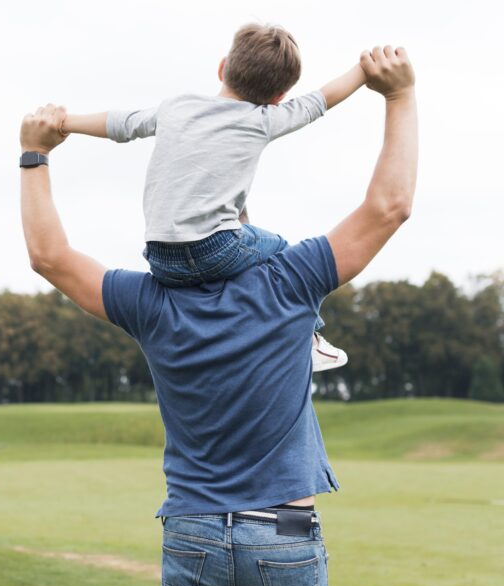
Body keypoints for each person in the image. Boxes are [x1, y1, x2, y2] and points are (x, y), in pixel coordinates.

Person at [18, 44, 416, 586]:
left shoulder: (150, 302)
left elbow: (50, 257)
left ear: (222, 72)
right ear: (241, 225)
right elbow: (389, 206)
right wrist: (397, 95)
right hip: (285, 529)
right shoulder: (290, 280)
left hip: (192, 530)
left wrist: (34, 154)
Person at [60, 23, 369, 372]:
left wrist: (64, 123)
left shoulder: (176, 107)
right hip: (215, 250)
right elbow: (320, 100)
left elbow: (121, 123)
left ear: (222, 67)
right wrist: (363, 70)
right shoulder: (263, 119)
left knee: (243, 221)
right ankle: (309, 339)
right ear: (279, 97)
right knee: (281, 249)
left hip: (161, 258)